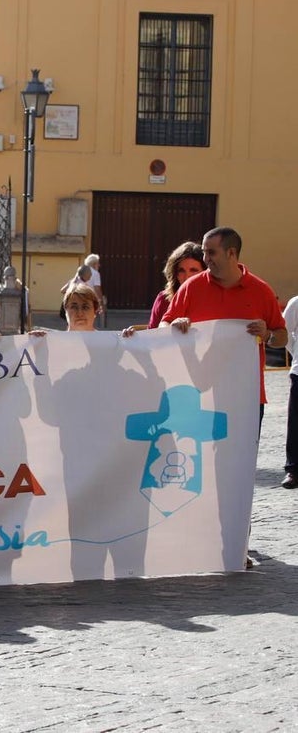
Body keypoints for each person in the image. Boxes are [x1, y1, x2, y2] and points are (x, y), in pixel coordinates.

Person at [162, 227, 285, 553]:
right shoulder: (192, 287)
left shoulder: (260, 290)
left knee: (240, 472)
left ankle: (235, 544)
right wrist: (174, 326)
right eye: (204, 252)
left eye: (211, 253)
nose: (205, 259)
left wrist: (268, 335)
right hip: (200, 397)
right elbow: (164, 323)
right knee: (202, 470)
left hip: (245, 399)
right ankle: (205, 539)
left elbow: (282, 335)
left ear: (232, 254)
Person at [147, 242, 205, 328]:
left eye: (193, 270)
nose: (187, 276)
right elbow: (152, 335)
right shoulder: (164, 299)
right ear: (175, 273)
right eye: (181, 270)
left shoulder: (214, 297)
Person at [283, 295, 298, 490]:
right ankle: (293, 470)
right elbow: (284, 333)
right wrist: (296, 354)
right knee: (296, 422)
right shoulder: (296, 303)